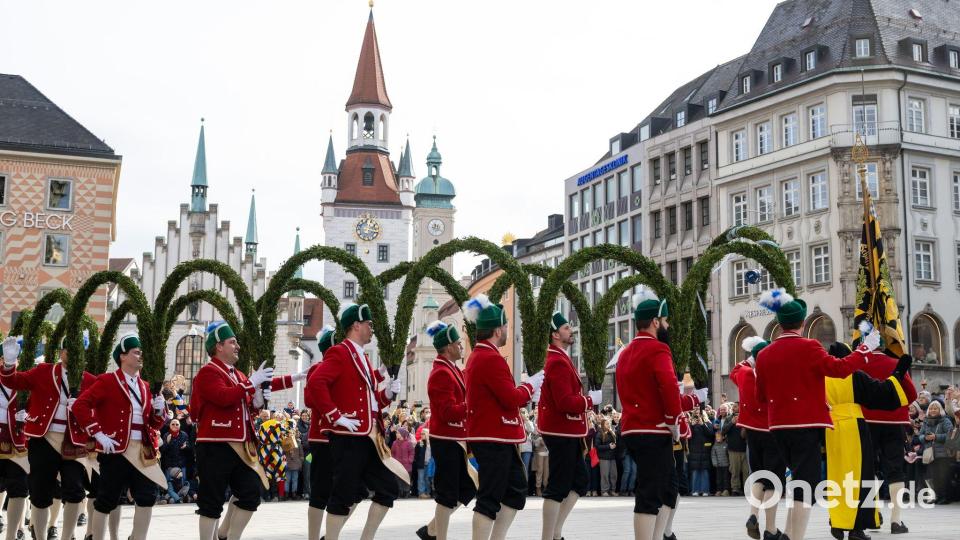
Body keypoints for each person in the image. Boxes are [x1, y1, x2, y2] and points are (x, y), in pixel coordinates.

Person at [754, 289, 881, 540]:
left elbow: (760, 396)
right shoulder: (809, 346)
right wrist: (865, 350)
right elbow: (840, 368)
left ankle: (788, 534)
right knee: (805, 486)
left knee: (796, 482)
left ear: (779, 324)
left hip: (777, 426)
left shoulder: (765, 353)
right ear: (802, 323)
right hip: (806, 424)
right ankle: (795, 537)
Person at [189, 321, 304, 540]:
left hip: (242, 446)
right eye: (232, 342)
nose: (237, 346)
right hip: (215, 444)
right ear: (218, 346)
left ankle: (226, 535)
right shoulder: (208, 372)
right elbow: (224, 397)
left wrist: (293, 378)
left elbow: (255, 390)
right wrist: (252, 384)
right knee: (211, 502)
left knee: (250, 494)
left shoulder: (237, 374)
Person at [305, 303, 404, 540]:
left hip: (368, 436)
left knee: (389, 488)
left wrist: (388, 394)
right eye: (369, 324)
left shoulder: (361, 356)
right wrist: (335, 415)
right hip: (348, 437)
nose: (372, 329)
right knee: (342, 495)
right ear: (356, 326)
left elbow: (370, 402)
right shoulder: (340, 352)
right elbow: (316, 383)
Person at [462, 294, 544, 540]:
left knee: (515, 490)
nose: (508, 330)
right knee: (489, 497)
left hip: (496, 436)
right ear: (498, 330)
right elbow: (510, 398)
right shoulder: (490, 358)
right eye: (506, 326)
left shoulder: (483, 355)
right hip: (493, 437)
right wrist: (529, 386)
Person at [72, 333, 168, 540]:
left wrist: (159, 411)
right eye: (136, 352)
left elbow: (152, 423)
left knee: (147, 497)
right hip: (115, 449)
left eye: (141, 352)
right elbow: (80, 405)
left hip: (142, 450)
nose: (140, 356)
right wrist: (97, 432)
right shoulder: (107, 380)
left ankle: (137, 538)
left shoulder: (145, 386)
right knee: (107, 499)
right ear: (122, 356)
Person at [1, 336, 96, 540]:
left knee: (75, 491)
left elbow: (101, 409)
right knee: (40, 492)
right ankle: (41, 536)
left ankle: (66, 536)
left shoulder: (90, 380)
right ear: (61, 353)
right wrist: (9, 364)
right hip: (43, 439)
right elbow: (13, 381)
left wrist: (82, 407)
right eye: (68, 350)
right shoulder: (44, 371)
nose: (72, 354)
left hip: (74, 441)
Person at [822, 341, 914, 540]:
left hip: (831, 428)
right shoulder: (854, 375)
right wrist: (898, 373)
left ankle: (837, 522)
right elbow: (881, 392)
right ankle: (857, 528)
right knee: (861, 476)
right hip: (854, 426)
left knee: (837, 476)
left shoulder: (823, 377)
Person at [615, 287, 682, 540]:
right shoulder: (658, 350)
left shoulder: (626, 353)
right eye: (664, 320)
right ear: (655, 321)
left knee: (668, 487)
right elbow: (667, 385)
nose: (667, 325)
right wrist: (672, 420)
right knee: (650, 492)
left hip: (633, 427)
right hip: (652, 429)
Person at [843, 334, 918, 534]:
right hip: (893, 422)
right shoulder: (895, 363)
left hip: (865, 421)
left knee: (868, 469)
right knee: (895, 469)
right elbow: (912, 394)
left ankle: (872, 516)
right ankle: (896, 521)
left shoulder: (858, 364)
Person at [536, 311, 600, 540]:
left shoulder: (560, 358)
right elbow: (564, 402)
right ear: (555, 334)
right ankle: (549, 536)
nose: (569, 330)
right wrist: (590, 401)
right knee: (558, 486)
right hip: (561, 430)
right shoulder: (557, 361)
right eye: (565, 328)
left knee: (579, 481)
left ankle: (555, 531)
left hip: (568, 430)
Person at [416, 320, 475, 540]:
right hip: (447, 439)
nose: (461, 347)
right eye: (459, 343)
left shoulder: (452, 370)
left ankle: (431, 530)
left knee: (467, 489)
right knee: (447, 493)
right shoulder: (441, 373)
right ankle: (439, 536)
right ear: (448, 346)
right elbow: (448, 411)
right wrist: (472, 406)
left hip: (456, 438)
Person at [730, 337, 786, 540]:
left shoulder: (744, 373)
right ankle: (770, 529)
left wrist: (752, 357)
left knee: (759, 475)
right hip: (772, 430)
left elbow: (736, 368)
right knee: (773, 481)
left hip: (751, 431)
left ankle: (753, 515)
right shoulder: (776, 375)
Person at [302, 326, 336, 540]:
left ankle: (331, 534)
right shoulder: (318, 368)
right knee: (320, 493)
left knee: (348, 490)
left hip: (341, 437)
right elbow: (309, 400)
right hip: (321, 438)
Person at [0, 338, 29, 540]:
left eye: (15, 358)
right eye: (6, 357)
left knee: (19, 489)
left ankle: (12, 533)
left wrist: (28, 416)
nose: (10, 362)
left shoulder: (25, 381)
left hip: (19, 442)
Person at [919, 400, 954, 504]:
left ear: (940, 410)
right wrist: (925, 438)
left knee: (943, 476)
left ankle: (944, 497)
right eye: (931, 408)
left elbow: (951, 435)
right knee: (933, 476)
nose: (933, 410)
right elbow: (920, 436)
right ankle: (936, 496)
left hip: (943, 453)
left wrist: (936, 437)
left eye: (935, 408)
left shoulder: (945, 421)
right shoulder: (925, 421)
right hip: (930, 453)